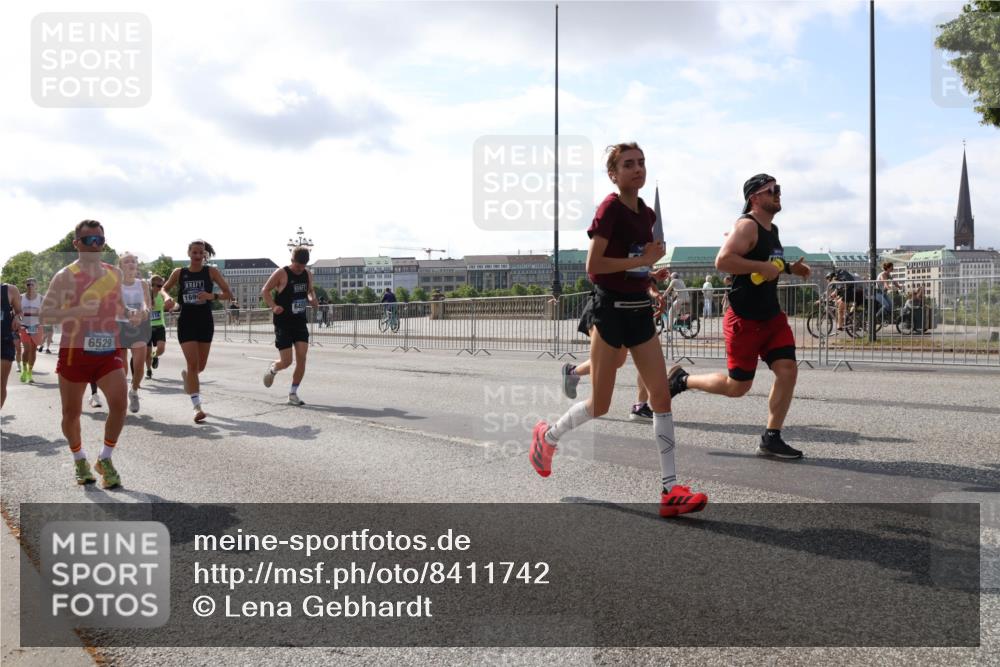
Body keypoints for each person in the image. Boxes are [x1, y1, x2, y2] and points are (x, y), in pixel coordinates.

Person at [530, 142, 708, 517]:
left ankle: (670, 490)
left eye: (641, 163)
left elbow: (632, 266)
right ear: (613, 174)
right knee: (601, 404)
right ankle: (548, 436)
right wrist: (642, 259)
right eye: (628, 164)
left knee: (661, 397)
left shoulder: (646, 214)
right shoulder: (609, 209)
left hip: (639, 311)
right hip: (609, 311)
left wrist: (650, 276)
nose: (637, 169)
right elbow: (594, 266)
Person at [669, 174, 810, 459]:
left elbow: (768, 263)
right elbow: (723, 260)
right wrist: (761, 266)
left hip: (771, 317)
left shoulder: (772, 229)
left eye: (779, 189)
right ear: (755, 198)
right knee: (737, 387)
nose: (778, 194)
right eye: (772, 190)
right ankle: (681, 380)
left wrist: (789, 269)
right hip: (744, 319)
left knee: (788, 370)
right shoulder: (747, 225)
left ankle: (771, 438)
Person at [39, 220, 127, 487]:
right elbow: (45, 314)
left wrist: (134, 313)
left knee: (120, 403)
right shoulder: (65, 276)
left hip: (108, 349)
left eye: (100, 240)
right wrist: (77, 311)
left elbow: (119, 307)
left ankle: (105, 458)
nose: (96, 245)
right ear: (76, 244)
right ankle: (79, 459)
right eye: (89, 240)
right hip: (74, 353)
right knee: (71, 413)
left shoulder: (115, 274)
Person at [162, 240, 232, 423]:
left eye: (201, 253)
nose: (198, 256)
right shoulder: (179, 273)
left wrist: (211, 296)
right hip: (186, 321)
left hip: (205, 321)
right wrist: (167, 297)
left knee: (200, 367)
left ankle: (188, 377)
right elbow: (163, 288)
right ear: (189, 253)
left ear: (205, 255)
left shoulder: (211, 272)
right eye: (194, 252)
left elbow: (228, 294)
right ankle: (197, 407)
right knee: (193, 364)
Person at [261, 246, 320, 405]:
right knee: (286, 362)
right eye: (297, 266)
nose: (300, 269)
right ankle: (274, 368)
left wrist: (312, 299)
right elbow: (265, 290)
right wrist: (274, 306)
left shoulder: (307, 274)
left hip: (299, 321)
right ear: (292, 260)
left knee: (302, 358)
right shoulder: (281, 273)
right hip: (283, 322)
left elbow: (310, 291)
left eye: (303, 266)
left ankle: (293, 394)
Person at [117, 253, 152, 413]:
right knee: (122, 366)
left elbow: (147, 303)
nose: (131, 264)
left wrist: (143, 312)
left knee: (139, 365)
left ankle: (134, 390)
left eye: (133, 261)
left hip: (139, 325)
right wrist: (128, 313)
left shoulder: (142, 283)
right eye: (127, 261)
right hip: (120, 325)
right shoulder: (116, 284)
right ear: (120, 266)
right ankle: (122, 392)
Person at [145, 275, 173, 379]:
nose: (160, 288)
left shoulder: (162, 295)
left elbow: (172, 302)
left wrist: (172, 306)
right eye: (158, 286)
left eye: (161, 286)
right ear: (152, 285)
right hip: (147, 328)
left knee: (161, 349)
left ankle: (155, 355)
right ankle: (148, 370)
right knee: (147, 352)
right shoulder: (146, 295)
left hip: (159, 326)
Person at [18, 278, 44, 384]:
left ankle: (30, 372)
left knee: (33, 350)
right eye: (28, 284)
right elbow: (16, 311)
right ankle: (24, 370)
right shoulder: (20, 297)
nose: (30, 286)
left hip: (36, 326)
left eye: (32, 284)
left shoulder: (41, 298)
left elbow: (45, 312)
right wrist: (19, 320)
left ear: (36, 286)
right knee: (27, 349)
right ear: (26, 286)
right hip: (24, 326)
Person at [2, 282, 23, 408]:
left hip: (4, 341)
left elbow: (20, 312)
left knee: (1, 384)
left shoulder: (10, 290)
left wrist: (17, 318)